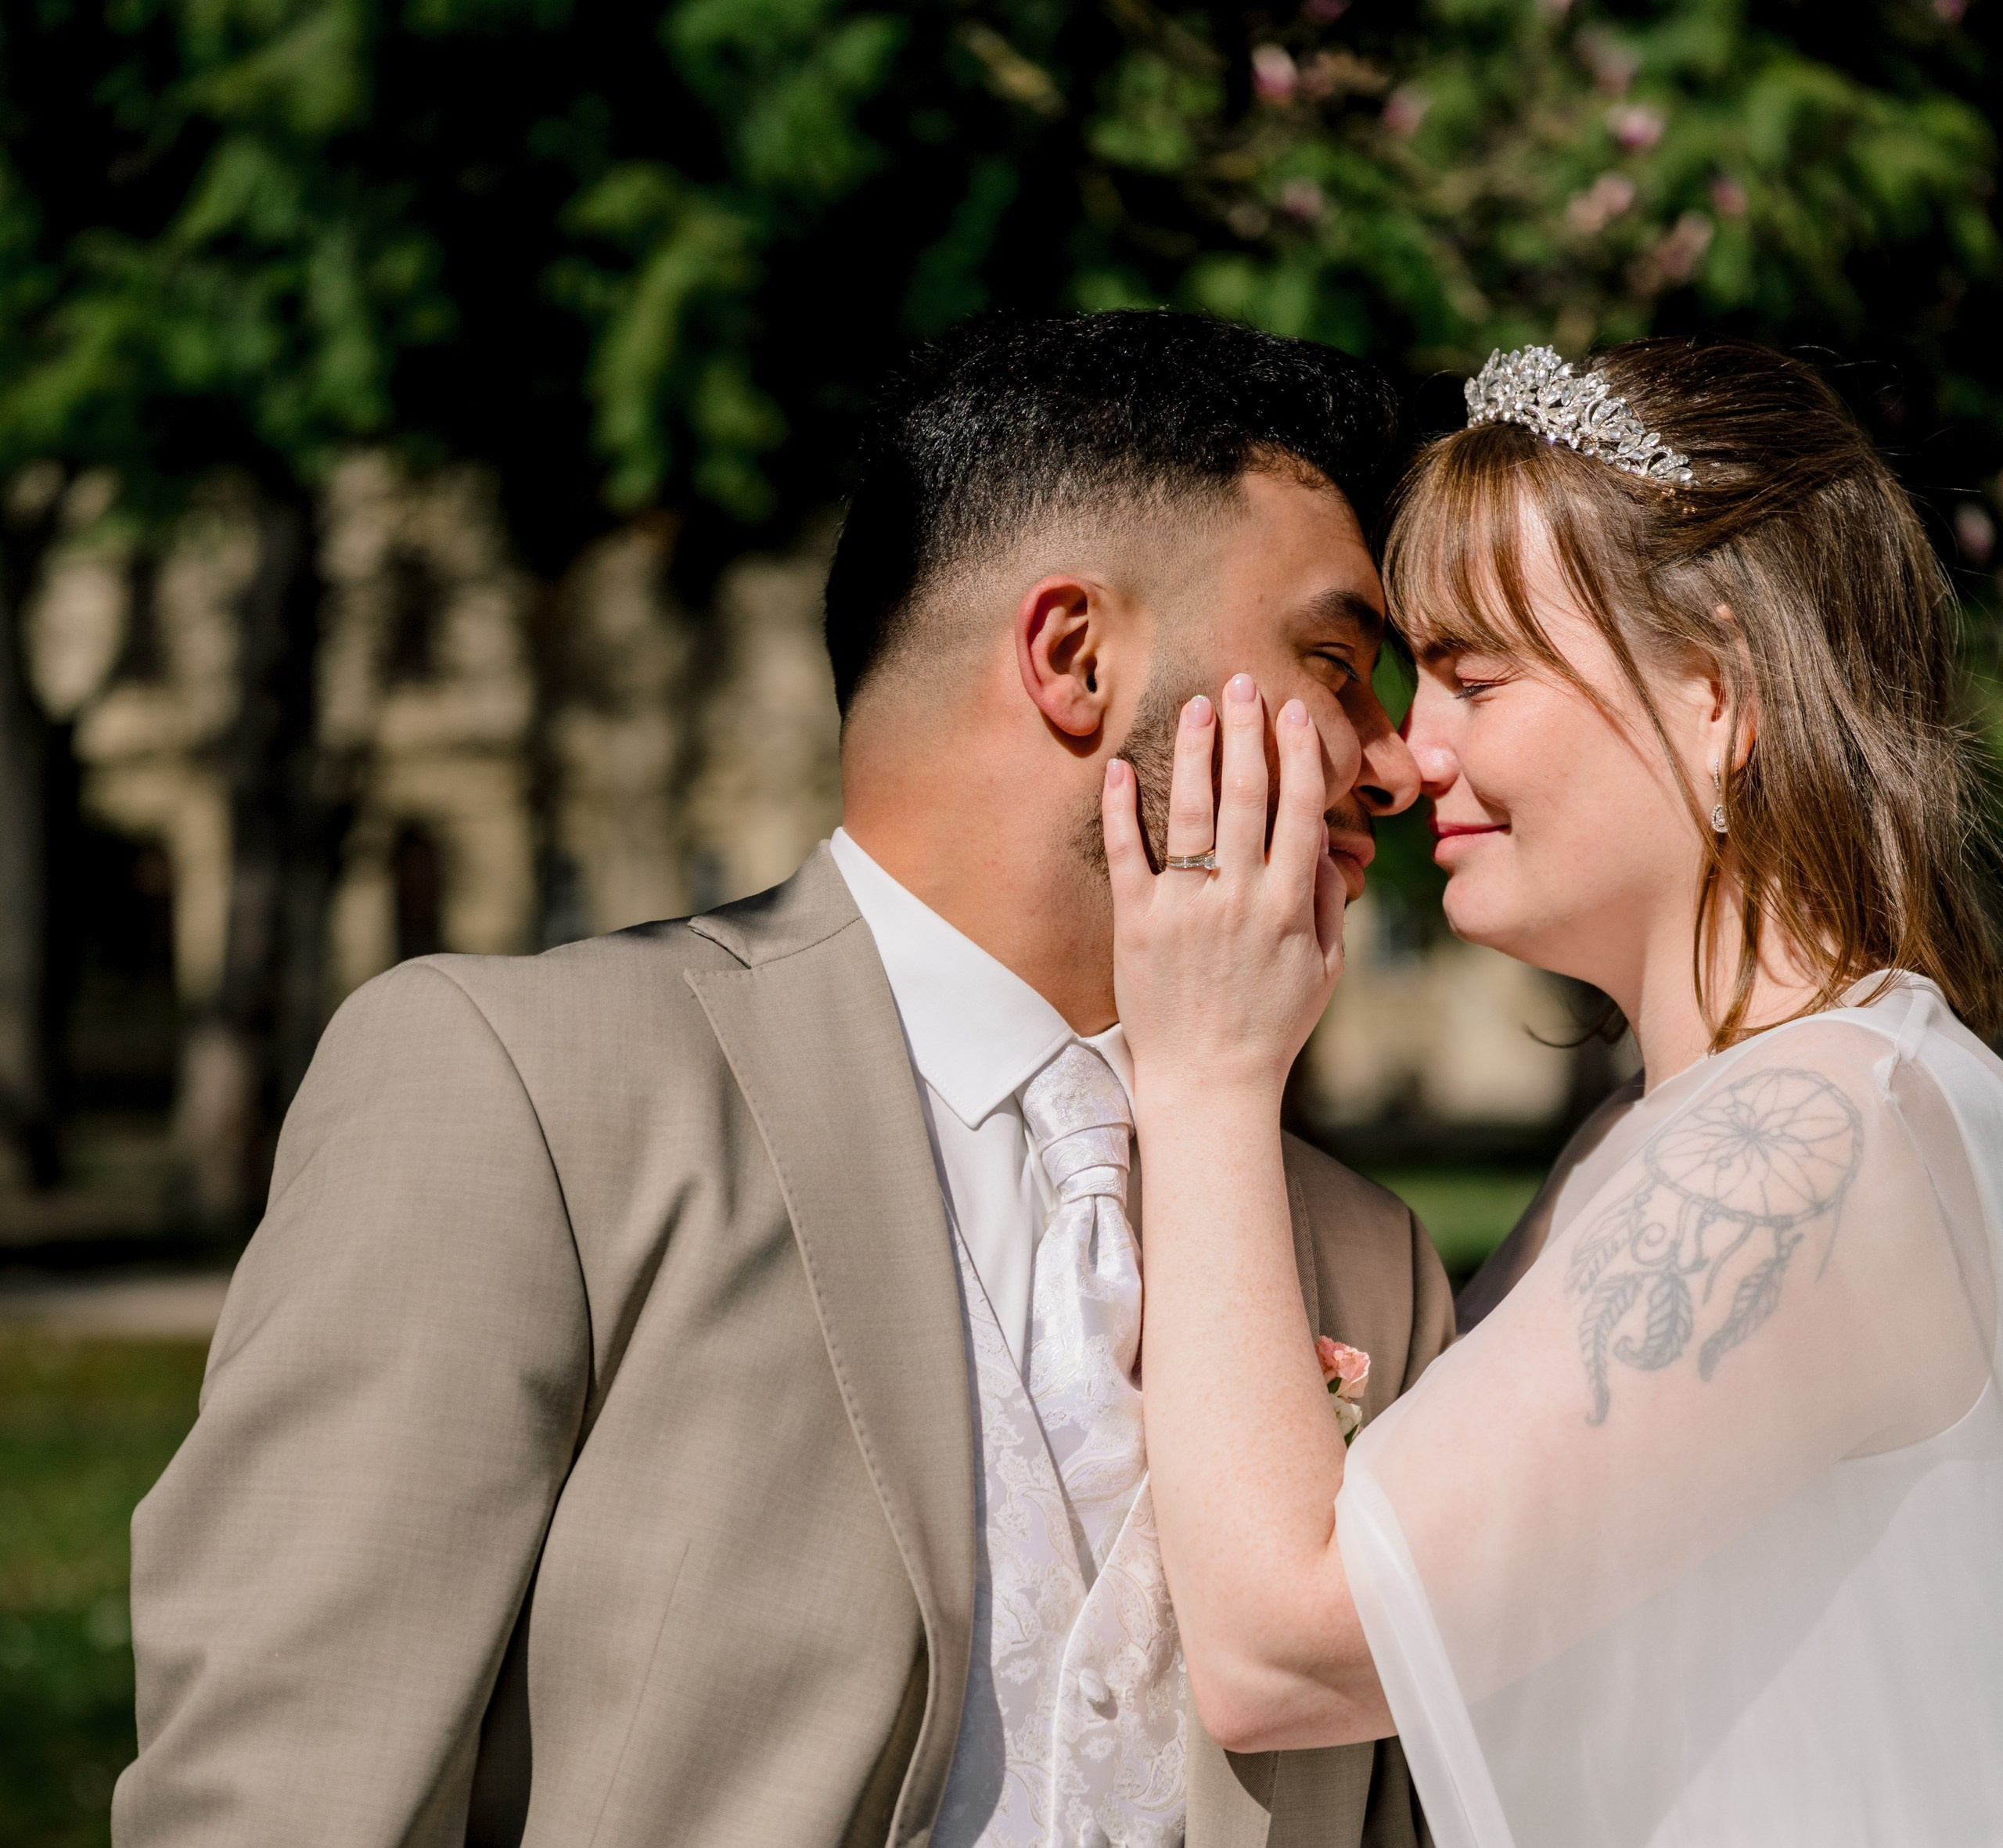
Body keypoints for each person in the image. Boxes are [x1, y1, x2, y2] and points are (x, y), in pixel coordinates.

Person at [115, 311, 1458, 1848]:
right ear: (1073, 659)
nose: (1394, 764)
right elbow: (286, 1801)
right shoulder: (530, 1098)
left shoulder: (1371, 1255)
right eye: (1336, 664)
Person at [1106, 337, 2003, 1848]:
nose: (1410, 751)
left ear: (1718, 691)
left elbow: (1286, 1645)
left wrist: (1205, 1070)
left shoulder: (1819, 1140)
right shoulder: (1664, 1132)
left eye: (1474, 676)